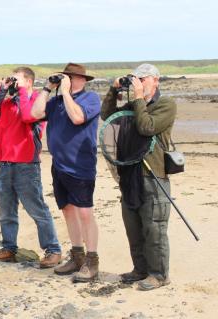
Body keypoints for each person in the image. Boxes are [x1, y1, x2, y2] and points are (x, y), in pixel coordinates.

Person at [101, 63, 177, 290]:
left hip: (153, 175)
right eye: (135, 79)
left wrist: (137, 99)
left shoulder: (165, 105)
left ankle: (159, 275)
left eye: (142, 79)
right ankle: (140, 270)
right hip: (129, 174)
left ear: (156, 80)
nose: (138, 83)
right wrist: (114, 90)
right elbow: (107, 117)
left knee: (154, 227)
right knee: (132, 225)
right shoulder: (133, 105)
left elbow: (146, 126)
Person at [0, 66, 62, 268]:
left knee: (37, 209)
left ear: (28, 82)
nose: (15, 83)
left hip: (26, 164)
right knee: (6, 210)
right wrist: (1, 89)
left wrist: (20, 93)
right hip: (5, 163)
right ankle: (9, 248)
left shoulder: (38, 102)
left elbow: (28, 117)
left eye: (18, 80)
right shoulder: (9, 102)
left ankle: (53, 250)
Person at [30, 63, 101, 282]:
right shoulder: (56, 101)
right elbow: (35, 113)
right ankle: (77, 256)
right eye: (66, 77)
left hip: (81, 164)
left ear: (82, 80)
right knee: (68, 210)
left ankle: (92, 260)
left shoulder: (90, 99)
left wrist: (67, 93)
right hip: (59, 165)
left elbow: (78, 117)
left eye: (72, 78)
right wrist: (47, 89)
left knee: (85, 213)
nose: (69, 81)